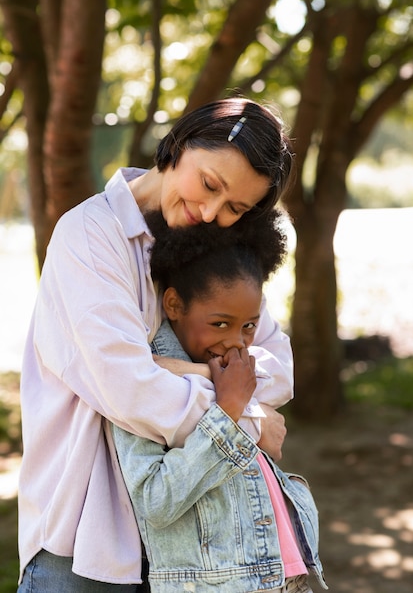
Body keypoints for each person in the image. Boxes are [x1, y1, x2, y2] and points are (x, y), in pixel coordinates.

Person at [17, 97, 295, 592]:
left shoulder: (212, 244)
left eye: (236, 208)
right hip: (85, 542)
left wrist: (188, 371)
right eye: (210, 184)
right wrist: (244, 418)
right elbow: (131, 390)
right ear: (181, 144)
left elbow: (276, 366)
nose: (211, 212)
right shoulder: (89, 236)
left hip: (187, 549)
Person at [111, 213, 327, 593]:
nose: (237, 343)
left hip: (286, 574)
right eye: (221, 324)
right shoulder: (146, 379)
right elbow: (156, 500)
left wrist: (207, 376)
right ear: (174, 304)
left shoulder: (226, 370)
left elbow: (282, 376)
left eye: (248, 326)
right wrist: (228, 412)